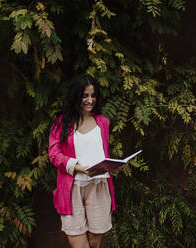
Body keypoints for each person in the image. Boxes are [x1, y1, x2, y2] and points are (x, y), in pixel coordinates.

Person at [48, 74, 120, 248]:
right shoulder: (61, 122)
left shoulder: (103, 122)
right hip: (72, 188)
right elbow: (53, 153)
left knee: (95, 242)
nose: (90, 100)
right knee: (79, 244)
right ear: (75, 96)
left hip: (99, 186)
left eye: (93, 95)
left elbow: (101, 153)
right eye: (85, 96)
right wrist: (78, 167)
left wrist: (113, 167)